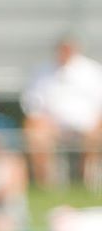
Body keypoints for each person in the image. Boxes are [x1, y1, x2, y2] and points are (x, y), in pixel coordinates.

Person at [21, 35, 102, 189]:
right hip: (52, 127)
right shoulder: (41, 71)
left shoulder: (94, 71)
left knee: (95, 135)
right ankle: (46, 186)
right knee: (37, 136)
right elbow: (32, 106)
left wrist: (94, 123)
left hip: (88, 126)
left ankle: (87, 184)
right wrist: (44, 121)